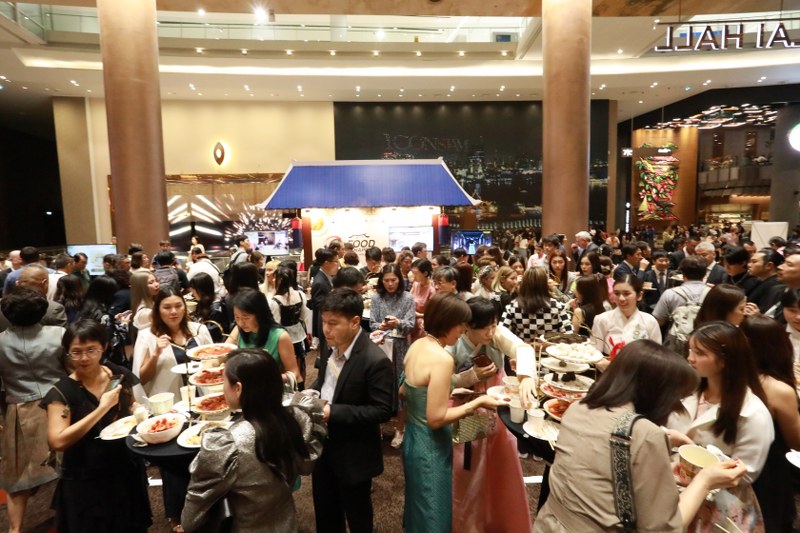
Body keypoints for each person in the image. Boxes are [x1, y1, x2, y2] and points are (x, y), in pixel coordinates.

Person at [534, 340, 748, 532]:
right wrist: (704, 480)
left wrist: (661, 448)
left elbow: (597, 458)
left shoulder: (578, 407)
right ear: (657, 394)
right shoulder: (644, 434)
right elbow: (664, 528)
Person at [181, 349, 326, 532]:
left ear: (238, 388)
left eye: (224, 381)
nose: (223, 388)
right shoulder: (295, 418)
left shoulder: (228, 444)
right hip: (287, 523)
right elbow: (306, 466)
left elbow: (191, 517)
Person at [402, 293, 503, 533]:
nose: (462, 331)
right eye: (461, 325)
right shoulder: (442, 358)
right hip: (431, 445)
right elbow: (436, 419)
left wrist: (449, 387)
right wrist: (477, 403)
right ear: (448, 323)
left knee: (418, 507)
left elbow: (404, 391)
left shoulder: (417, 345)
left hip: (412, 438)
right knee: (434, 514)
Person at [43, 319, 151, 532]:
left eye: (91, 350)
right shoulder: (62, 392)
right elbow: (57, 441)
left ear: (104, 347)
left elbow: (131, 403)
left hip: (125, 468)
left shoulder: (117, 374)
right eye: (76, 352)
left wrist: (141, 412)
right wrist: (102, 408)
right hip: (86, 478)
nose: (84, 358)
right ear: (67, 353)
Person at [667, 322, 773, 531]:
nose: (690, 358)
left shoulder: (753, 413)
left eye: (699, 353)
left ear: (725, 360)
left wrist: (692, 454)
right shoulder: (687, 390)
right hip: (673, 491)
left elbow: (745, 472)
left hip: (719, 504)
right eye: (690, 350)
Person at [447, 297, 535, 532]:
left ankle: (502, 520)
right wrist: (472, 376)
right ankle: (470, 523)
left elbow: (522, 348)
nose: (491, 332)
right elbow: (444, 381)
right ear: (467, 326)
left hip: (497, 401)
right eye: (484, 327)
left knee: (502, 458)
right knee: (470, 463)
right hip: (469, 403)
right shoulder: (455, 342)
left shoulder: (495, 333)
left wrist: (526, 377)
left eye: (494, 325)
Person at [312, 288, 394, 533]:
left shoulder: (375, 360)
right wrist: (312, 392)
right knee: (325, 511)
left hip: (354, 452)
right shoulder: (330, 345)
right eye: (324, 322)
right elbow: (326, 382)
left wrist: (333, 412)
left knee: (357, 514)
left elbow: (382, 410)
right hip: (322, 445)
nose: (326, 329)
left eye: (333, 323)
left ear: (355, 322)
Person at [0, 289, 67, 533]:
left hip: (19, 410)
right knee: (69, 465)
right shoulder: (59, 334)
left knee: (18, 476)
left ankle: (14, 529)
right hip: (60, 404)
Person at [740, 316, 800, 531]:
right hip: (768, 473)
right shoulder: (777, 389)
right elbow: (796, 442)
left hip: (735, 463)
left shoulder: (732, 376)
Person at [132, 288, 213, 403]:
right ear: (158, 310)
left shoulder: (199, 330)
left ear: (184, 307)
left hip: (203, 397)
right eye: (167, 307)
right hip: (170, 403)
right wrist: (155, 355)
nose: (174, 311)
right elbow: (142, 380)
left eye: (178, 306)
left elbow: (213, 361)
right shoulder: (147, 336)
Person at [370, 263, 415, 447]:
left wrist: (398, 322)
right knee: (379, 386)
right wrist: (380, 326)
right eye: (386, 280)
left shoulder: (407, 297)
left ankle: (400, 428)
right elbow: (372, 323)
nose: (390, 284)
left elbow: (410, 325)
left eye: (393, 280)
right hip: (382, 345)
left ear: (399, 280)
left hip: (401, 346)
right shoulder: (376, 298)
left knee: (401, 388)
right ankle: (377, 426)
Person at [228, 288, 300, 385]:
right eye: (237, 317)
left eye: (246, 317)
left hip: (271, 388)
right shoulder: (238, 330)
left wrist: (266, 379)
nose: (241, 323)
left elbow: (294, 372)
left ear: (259, 314)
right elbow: (224, 352)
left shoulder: (280, 336)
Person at [592, 274, 661, 369]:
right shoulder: (602, 319)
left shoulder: (650, 321)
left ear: (639, 295)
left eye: (626, 293)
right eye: (617, 293)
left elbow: (657, 355)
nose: (621, 298)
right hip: (608, 372)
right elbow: (595, 352)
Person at [501, 266, 572, 343]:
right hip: (550, 349)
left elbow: (501, 334)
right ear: (545, 284)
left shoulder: (512, 307)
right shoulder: (558, 307)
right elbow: (569, 335)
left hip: (522, 349)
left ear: (524, 283)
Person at [269, 266, 312, 389]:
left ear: (279, 279)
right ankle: (301, 390)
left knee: (286, 369)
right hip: (299, 335)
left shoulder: (275, 301)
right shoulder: (300, 294)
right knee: (300, 366)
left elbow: (276, 322)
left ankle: (288, 392)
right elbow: (303, 316)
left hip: (283, 337)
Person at [78, 275, 129, 366]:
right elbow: (114, 342)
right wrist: (124, 324)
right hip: (103, 362)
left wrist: (114, 319)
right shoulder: (104, 316)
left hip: (86, 355)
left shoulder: (83, 308)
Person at [311, 248, 339, 360]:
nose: (338, 265)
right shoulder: (320, 282)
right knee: (326, 356)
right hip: (324, 324)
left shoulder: (326, 277)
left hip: (327, 323)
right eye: (336, 262)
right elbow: (320, 306)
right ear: (327, 263)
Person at [188, 272, 228, 343]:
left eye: (193, 291)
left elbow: (211, 333)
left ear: (201, 290)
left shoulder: (216, 308)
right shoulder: (202, 302)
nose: (192, 294)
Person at [409, 258, 435, 341]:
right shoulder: (415, 284)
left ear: (425, 273)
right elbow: (408, 300)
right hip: (411, 319)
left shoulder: (432, 290)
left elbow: (432, 314)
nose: (413, 276)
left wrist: (418, 315)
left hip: (422, 323)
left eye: (416, 273)